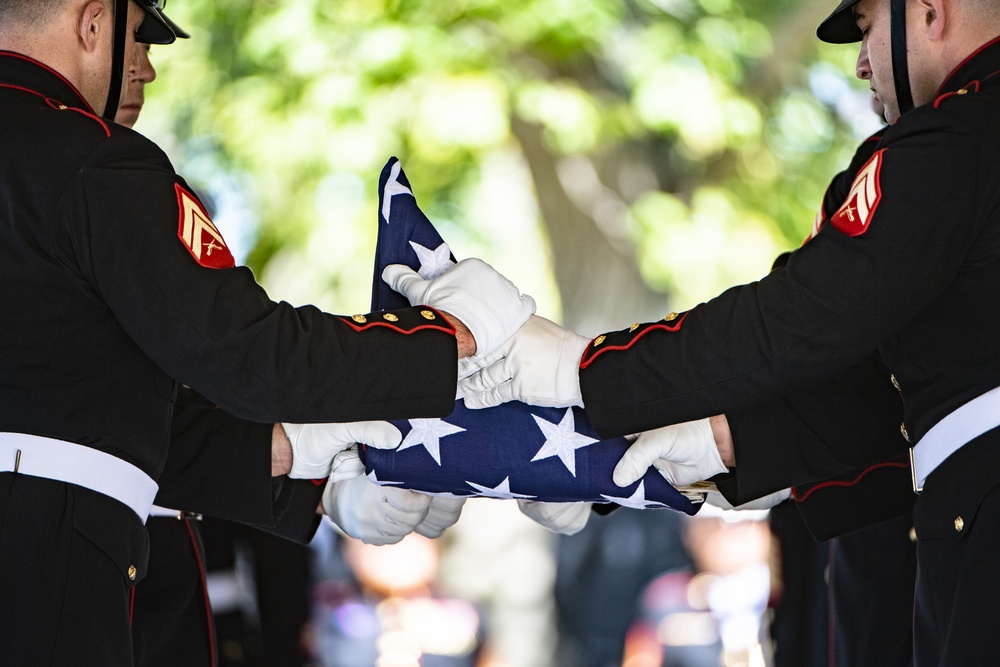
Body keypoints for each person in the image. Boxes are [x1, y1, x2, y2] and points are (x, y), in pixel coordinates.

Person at [451, 0, 1000, 663]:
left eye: (867, 27)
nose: (859, 62)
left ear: (929, 12)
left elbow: (799, 322)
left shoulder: (958, 141)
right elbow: (878, 407)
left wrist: (585, 369)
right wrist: (713, 443)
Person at [0, 1, 535, 664]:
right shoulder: (93, 164)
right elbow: (249, 352)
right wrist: (447, 335)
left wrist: (317, 465)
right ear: (90, 23)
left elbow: (98, 416)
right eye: (139, 37)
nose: (147, 70)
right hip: (42, 571)